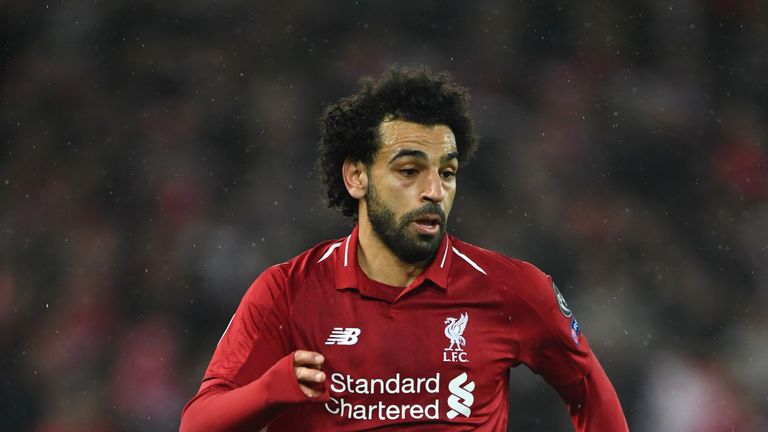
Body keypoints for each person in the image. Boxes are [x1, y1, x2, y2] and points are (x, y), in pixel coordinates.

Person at [179, 66, 628, 431]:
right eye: (410, 170)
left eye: (447, 172)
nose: (434, 190)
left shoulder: (514, 290)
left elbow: (590, 393)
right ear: (356, 177)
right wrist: (268, 391)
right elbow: (197, 424)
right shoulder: (287, 291)